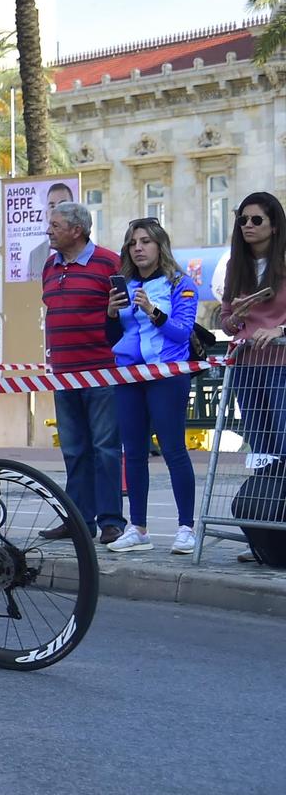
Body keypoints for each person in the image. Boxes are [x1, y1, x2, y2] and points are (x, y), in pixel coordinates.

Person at [107, 217, 200, 555]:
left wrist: (153, 311)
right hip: (129, 376)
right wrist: (111, 315)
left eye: (145, 241)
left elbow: (181, 331)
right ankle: (138, 528)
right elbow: (113, 339)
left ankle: (186, 528)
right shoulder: (124, 285)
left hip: (167, 375)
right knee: (132, 452)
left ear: (160, 246)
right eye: (133, 243)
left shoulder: (181, 282)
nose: (138, 248)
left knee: (174, 450)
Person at [40, 200, 125, 544]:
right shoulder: (49, 266)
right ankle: (78, 520)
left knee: (105, 448)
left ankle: (110, 521)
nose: (49, 230)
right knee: (73, 449)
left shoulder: (108, 263)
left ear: (77, 230)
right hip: (64, 373)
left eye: (56, 225)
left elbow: (124, 316)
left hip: (102, 372)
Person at [215, 191, 286, 561]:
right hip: (247, 366)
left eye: (256, 220)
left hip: (281, 365)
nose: (247, 226)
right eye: (243, 220)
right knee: (260, 450)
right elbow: (226, 321)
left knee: (284, 448)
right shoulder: (235, 266)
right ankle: (264, 537)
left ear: (274, 225)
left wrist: (279, 329)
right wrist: (236, 316)